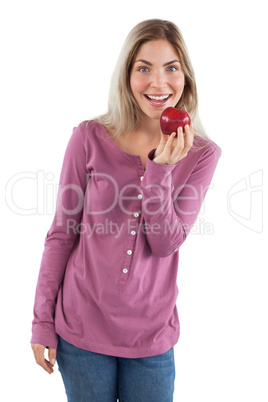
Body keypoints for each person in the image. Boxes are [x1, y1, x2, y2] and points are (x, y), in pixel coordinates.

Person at [31, 19, 221, 401]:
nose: (158, 83)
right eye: (143, 68)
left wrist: (161, 170)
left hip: (150, 338)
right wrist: (41, 321)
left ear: (186, 76)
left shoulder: (202, 154)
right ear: (127, 75)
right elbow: (61, 233)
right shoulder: (88, 136)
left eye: (171, 68)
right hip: (80, 329)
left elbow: (166, 243)